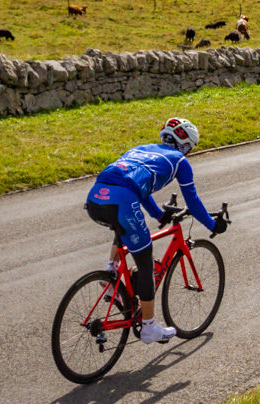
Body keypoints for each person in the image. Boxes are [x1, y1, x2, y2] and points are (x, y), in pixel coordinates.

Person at [85, 117, 221, 344]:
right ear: (185, 145)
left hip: (95, 198)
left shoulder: (140, 149)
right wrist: (214, 225)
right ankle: (149, 327)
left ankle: (111, 274)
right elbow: (193, 202)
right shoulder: (179, 161)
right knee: (145, 261)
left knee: (123, 228)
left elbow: (141, 189)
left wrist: (159, 215)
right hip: (122, 200)